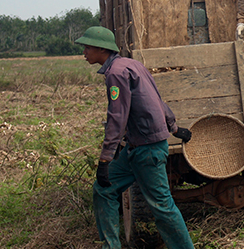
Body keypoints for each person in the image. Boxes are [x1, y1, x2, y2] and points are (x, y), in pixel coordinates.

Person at [74, 26, 195, 249]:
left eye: (88, 47)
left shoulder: (116, 73)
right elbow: (157, 99)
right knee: (103, 189)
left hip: (147, 150)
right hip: (136, 149)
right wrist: (174, 128)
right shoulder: (131, 64)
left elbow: (117, 118)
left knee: (162, 206)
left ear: (102, 49)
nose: (84, 52)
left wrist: (105, 159)